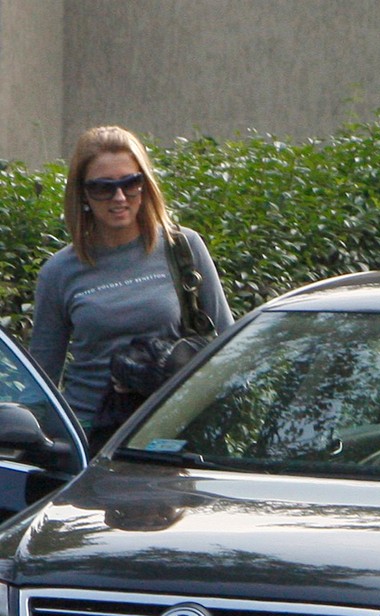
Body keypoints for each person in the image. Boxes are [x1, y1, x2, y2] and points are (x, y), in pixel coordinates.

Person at [29, 126, 233, 445]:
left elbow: (229, 345)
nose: (119, 197)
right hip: (90, 438)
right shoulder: (59, 272)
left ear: (145, 185)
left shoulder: (183, 248)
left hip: (171, 433)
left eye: (130, 183)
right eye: (103, 188)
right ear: (83, 194)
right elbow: (42, 379)